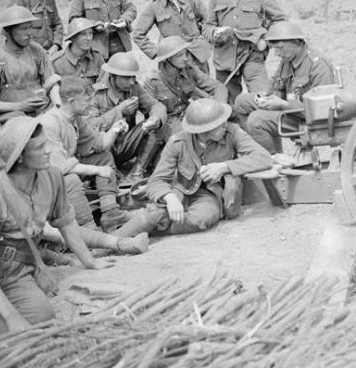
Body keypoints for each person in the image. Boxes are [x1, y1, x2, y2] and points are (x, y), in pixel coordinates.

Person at [0, 116, 114, 334]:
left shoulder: (53, 177)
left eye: (47, 143)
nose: (48, 151)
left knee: (42, 315)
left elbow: (67, 223)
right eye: (40, 147)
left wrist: (90, 261)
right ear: (19, 157)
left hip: (16, 270)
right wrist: (11, 316)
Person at [112, 98, 272, 239]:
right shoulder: (178, 142)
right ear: (203, 130)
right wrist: (170, 198)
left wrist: (224, 167)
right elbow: (157, 180)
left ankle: (143, 226)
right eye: (219, 124)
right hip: (181, 189)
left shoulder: (232, 133)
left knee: (204, 219)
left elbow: (263, 157)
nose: (225, 125)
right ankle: (110, 242)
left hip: (210, 194)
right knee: (160, 211)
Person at [40, 76, 135, 233]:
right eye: (86, 101)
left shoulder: (76, 119)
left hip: (66, 168)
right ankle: (88, 227)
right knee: (70, 180)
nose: (91, 105)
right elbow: (60, 168)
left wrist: (115, 129)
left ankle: (110, 212)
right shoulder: (49, 124)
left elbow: (99, 144)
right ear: (71, 101)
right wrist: (97, 170)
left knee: (104, 157)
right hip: (45, 180)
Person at [234, 21, 335, 154]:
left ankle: (271, 159)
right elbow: (275, 81)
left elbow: (321, 111)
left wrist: (283, 104)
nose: (276, 53)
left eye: (280, 48)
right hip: (289, 109)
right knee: (241, 102)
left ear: (296, 42)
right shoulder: (289, 59)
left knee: (256, 120)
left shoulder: (318, 65)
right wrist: (264, 96)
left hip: (306, 120)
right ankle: (267, 149)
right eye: (275, 49)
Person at [202, 0, 287, 105]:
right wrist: (215, 32)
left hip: (252, 57)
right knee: (227, 107)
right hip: (224, 59)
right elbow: (207, 26)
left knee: (263, 100)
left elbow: (280, 20)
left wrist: (265, 41)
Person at [90, 52, 167, 183]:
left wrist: (156, 118)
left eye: (133, 77)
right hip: (103, 150)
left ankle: (136, 173)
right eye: (126, 78)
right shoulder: (96, 95)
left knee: (158, 125)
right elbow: (90, 126)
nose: (131, 82)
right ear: (113, 76)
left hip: (126, 144)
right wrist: (119, 111)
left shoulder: (134, 88)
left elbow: (155, 105)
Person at [0, 6, 61, 124]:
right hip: (14, 121)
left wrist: (58, 108)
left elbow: (51, 82)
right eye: (23, 29)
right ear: (6, 32)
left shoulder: (36, 50)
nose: (29, 33)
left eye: (30, 28)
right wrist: (20, 106)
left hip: (43, 114)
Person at [132, 0, 212, 73]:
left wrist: (205, 41)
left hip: (197, 58)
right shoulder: (155, 6)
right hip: (171, 62)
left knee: (204, 88)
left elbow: (209, 21)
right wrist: (156, 53)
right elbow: (137, 34)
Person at [143, 36, 228, 136]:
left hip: (186, 116)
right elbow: (152, 111)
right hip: (167, 125)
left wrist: (219, 108)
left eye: (185, 53)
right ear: (168, 59)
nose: (185, 58)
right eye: (180, 55)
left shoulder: (188, 69)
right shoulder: (152, 81)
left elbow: (218, 87)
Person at [50, 18, 106, 84]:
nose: (89, 38)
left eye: (90, 33)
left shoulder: (97, 58)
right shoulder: (57, 62)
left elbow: (103, 85)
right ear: (73, 37)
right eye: (83, 34)